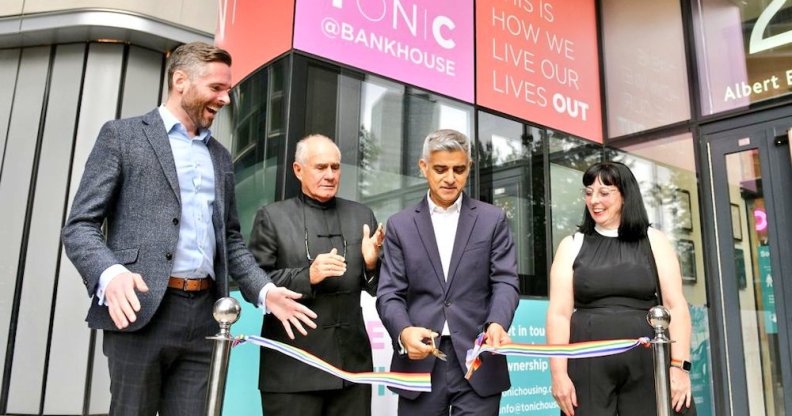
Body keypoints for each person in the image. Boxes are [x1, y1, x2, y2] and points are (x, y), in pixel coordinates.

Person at [61, 42, 317, 416]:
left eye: (227, 89)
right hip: (142, 310)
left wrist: (264, 290)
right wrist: (111, 274)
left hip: (205, 318)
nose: (225, 98)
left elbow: (229, 239)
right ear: (180, 81)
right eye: (216, 88)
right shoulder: (122, 136)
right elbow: (80, 226)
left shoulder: (220, 156)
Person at [376, 129, 520, 415]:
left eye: (459, 169)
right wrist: (403, 332)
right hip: (420, 362)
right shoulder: (400, 225)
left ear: (469, 167)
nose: (450, 178)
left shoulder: (492, 219)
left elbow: (505, 280)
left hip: (478, 359)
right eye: (441, 169)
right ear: (423, 167)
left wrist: (497, 323)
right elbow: (389, 293)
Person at [248, 134, 385, 416]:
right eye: (321, 167)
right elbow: (254, 281)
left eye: (335, 167)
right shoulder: (272, 217)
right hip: (291, 369)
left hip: (352, 369)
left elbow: (379, 287)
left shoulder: (361, 216)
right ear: (298, 170)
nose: (330, 175)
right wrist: (307, 275)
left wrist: (372, 264)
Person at [546, 161, 694, 416]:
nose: (594, 200)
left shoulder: (654, 241)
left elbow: (675, 306)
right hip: (587, 367)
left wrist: (679, 367)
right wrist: (558, 374)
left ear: (625, 195)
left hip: (648, 364)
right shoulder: (571, 245)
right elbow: (559, 314)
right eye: (589, 192)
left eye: (604, 193)